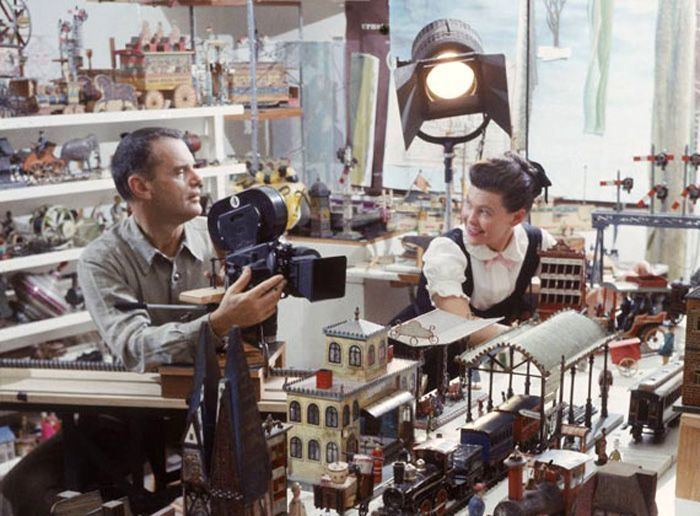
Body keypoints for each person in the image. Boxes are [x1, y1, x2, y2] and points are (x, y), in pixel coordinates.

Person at [1, 127, 286, 515]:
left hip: (215, 406)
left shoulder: (215, 236)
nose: (198, 179)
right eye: (181, 171)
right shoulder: (104, 259)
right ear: (140, 186)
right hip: (130, 412)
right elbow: (134, 348)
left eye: (195, 167)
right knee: (21, 487)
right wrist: (218, 323)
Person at [395, 152, 557, 388]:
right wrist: (530, 338)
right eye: (469, 204)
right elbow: (460, 327)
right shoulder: (446, 251)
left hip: (477, 369)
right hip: (415, 366)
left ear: (517, 217)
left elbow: (567, 292)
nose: (470, 218)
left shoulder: (538, 243)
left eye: (485, 212)